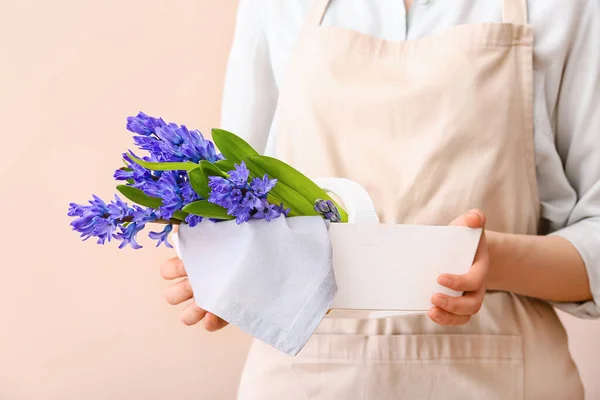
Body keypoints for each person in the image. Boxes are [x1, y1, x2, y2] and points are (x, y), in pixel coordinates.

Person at [160, 0, 600, 398]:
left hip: (505, 382)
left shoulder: (565, 8)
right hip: (303, 379)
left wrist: (493, 260)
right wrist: (226, 270)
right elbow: (238, 195)